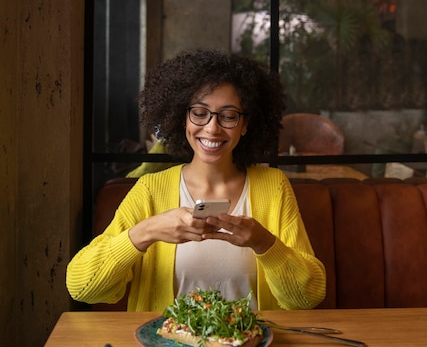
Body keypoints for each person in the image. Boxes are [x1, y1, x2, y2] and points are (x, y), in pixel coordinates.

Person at [66, 49, 326, 311]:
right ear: (183, 119)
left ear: (245, 124)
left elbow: (307, 297)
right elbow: (83, 287)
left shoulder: (274, 186)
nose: (212, 128)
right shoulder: (150, 190)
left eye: (228, 115)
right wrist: (147, 232)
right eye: (200, 113)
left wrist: (264, 243)